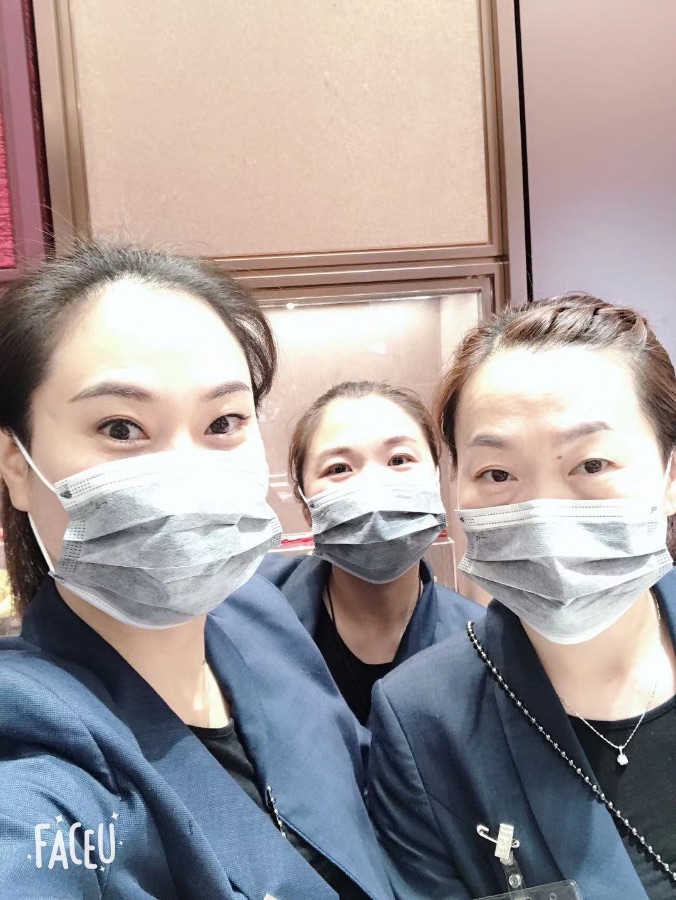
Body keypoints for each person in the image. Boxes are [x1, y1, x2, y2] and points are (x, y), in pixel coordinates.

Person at [0, 243, 393, 900]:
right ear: (16, 464)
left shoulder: (259, 617)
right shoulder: (33, 748)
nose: (186, 468)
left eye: (224, 421)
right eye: (120, 427)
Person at [367, 294, 676, 899]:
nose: (544, 512)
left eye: (592, 463)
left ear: (669, 476)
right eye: (497, 474)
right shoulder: (423, 720)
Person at [258, 381, 483, 725]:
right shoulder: (254, 614)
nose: (373, 486)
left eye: (399, 459)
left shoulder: (478, 643)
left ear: (436, 480)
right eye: (339, 469)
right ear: (305, 503)